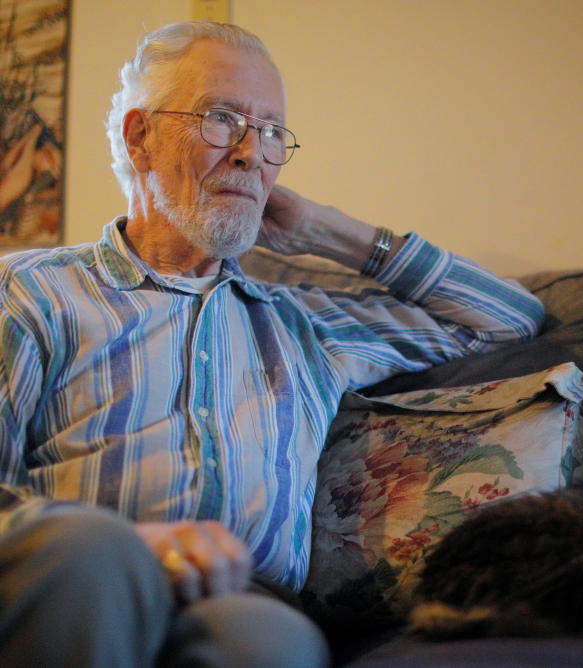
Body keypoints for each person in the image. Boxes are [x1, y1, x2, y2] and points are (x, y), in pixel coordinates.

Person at [0, 20, 544, 668]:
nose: (251, 153)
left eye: (271, 133)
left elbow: (506, 318)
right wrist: (126, 546)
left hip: (243, 600)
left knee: (265, 642)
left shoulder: (305, 326)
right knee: (89, 553)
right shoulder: (30, 292)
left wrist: (328, 231)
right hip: (76, 573)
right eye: (222, 118)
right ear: (140, 136)